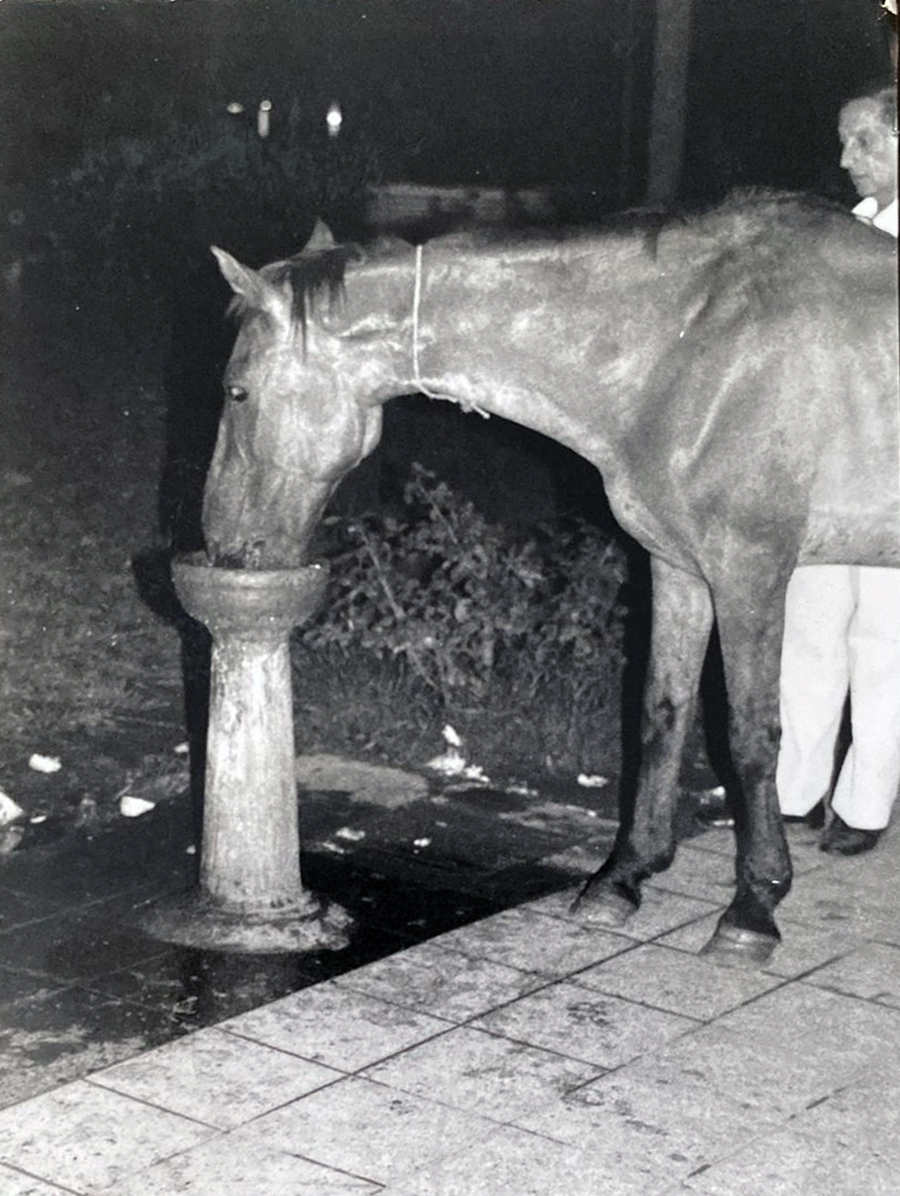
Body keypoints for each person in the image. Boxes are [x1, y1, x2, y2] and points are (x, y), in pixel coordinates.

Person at [776, 84, 899, 855]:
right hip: (827, 462)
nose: (844, 158)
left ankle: (865, 804)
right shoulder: (842, 233)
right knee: (810, 627)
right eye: (845, 140)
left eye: (864, 141)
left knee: (886, 639)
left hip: (894, 469)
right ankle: (795, 794)